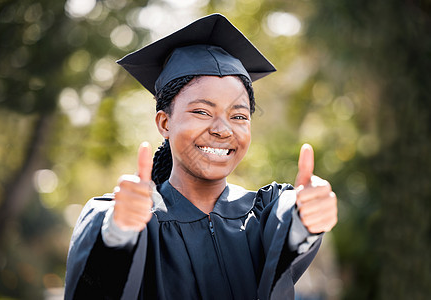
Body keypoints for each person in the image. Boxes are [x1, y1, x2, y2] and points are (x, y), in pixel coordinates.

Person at [64, 14, 337, 300]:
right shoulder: (131, 216)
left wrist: (305, 213)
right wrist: (118, 235)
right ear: (164, 123)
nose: (222, 129)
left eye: (239, 115)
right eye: (202, 112)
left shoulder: (262, 213)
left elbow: (286, 222)